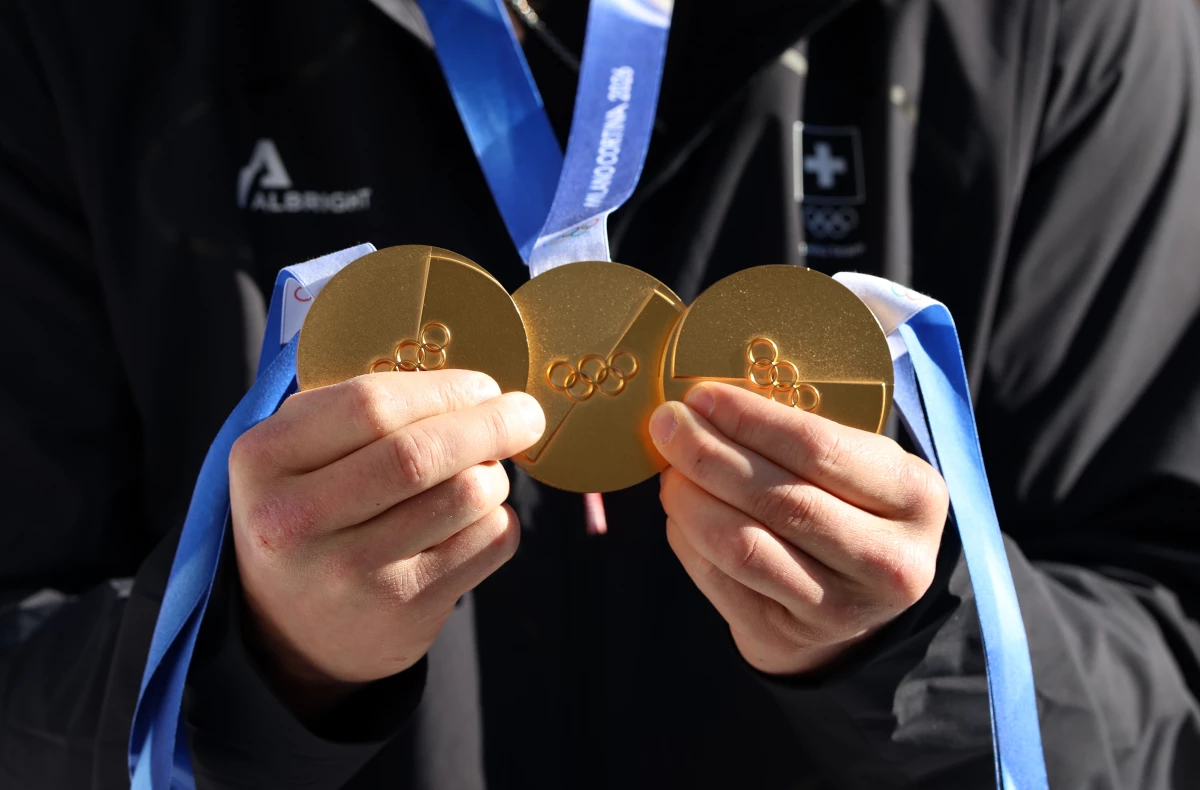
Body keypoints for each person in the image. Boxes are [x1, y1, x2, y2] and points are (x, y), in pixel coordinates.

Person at [2, 0, 1200, 787]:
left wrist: (919, 638)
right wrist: (256, 658)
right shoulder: (79, 38)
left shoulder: (1059, 26)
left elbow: (1170, 650)